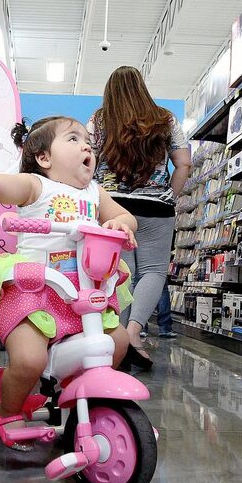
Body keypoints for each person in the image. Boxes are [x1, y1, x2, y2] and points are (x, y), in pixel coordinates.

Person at [0, 116, 136, 450]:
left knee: (117, 341)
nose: (86, 146)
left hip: (81, 292)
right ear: (44, 158)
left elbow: (126, 216)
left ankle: (74, 395)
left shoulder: (96, 191)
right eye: (74, 139)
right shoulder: (36, 186)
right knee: (29, 361)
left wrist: (121, 225)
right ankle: (7, 410)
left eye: (88, 142)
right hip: (33, 291)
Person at [88, 66, 191, 369]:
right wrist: (169, 194)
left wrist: (95, 193)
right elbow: (183, 163)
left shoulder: (99, 120)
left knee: (122, 273)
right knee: (154, 272)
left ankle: (116, 342)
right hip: (156, 207)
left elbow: (87, 160)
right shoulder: (166, 119)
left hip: (112, 207)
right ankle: (134, 334)